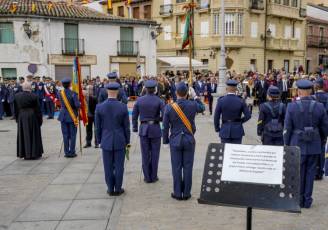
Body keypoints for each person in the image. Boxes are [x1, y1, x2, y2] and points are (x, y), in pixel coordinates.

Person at [284, 79, 328, 208]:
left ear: (298, 91)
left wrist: (287, 144)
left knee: (298, 172)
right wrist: (322, 140)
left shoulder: (291, 106)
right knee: (310, 173)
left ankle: (298, 199)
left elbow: (287, 128)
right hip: (314, 143)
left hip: (297, 143)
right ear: (311, 91)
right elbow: (325, 127)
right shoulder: (319, 106)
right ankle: (307, 200)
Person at [163, 82, 205, 200]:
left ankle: (177, 193)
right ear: (187, 93)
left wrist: (165, 141)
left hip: (175, 140)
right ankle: (186, 193)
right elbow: (202, 107)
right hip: (189, 139)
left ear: (176, 93)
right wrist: (195, 96)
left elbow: (165, 126)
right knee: (187, 167)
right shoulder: (192, 104)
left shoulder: (169, 107)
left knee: (176, 167)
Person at [95, 82, 130, 196]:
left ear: (106, 92)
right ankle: (118, 188)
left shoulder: (100, 107)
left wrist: (99, 141)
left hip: (106, 140)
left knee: (108, 166)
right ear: (118, 92)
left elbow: (97, 127)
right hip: (120, 140)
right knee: (119, 166)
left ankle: (110, 189)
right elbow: (126, 127)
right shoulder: (123, 106)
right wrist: (127, 141)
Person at [132, 80, 165, 183]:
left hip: (143, 129)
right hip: (155, 129)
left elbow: (134, 115)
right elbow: (164, 115)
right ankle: (154, 176)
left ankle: (147, 177)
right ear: (154, 89)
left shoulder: (139, 100)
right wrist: (158, 119)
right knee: (155, 154)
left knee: (145, 154)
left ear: (145, 89)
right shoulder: (159, 100)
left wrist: (135, 128)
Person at [214, 80, 251, 144]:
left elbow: (216, 117)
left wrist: (217, 128)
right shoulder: (241, 100)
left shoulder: (221, 100)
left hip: (225, 130)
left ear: (226, 89)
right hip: (237, 130)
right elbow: (248, 116)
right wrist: (240, 121)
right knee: (236, 152)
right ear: (236, 89)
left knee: (225, 151)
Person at [14, 82, 43, 160]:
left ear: (22, 88)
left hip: (21, 116)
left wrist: (17, 119)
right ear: (30, 88)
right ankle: (34, 153)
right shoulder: (34, 96)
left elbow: (15, 109)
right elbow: (38, 109)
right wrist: (40, 120)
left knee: (23, 135)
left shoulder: (17, 96)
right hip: (32, 116)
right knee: (33, 135)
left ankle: (24, 153)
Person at [57, 78, 81, 158]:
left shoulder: (60, 93)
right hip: (71, 116)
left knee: (65, 135)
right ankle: (72, 152)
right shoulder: (73, 94)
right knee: (73, 134)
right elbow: (77, 105)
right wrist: (80, 103)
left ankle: (66, 152)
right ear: (70, 84)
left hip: (63, 116)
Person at [312, 78, 328, 180]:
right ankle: (320, 171)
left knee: (314, 148)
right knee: (322, 149)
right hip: (325, 125)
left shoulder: (313, 97)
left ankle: (314, 171)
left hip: (315, 126)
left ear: (316, 86)